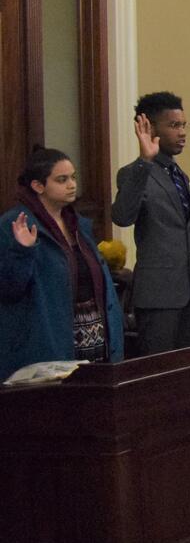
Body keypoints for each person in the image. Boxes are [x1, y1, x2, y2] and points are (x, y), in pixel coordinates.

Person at [2, 148, 124, 376]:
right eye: (62, 179)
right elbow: (9, 289)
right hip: (48, 346)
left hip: (93, 337)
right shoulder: (15, 224)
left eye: (73, 177)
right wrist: (23, 250)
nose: (72, 184)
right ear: (38, 186)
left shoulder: (77, 223)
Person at [111, 91, 190, 354]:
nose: (182, 132)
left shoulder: (179, 174)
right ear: (149, 127)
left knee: (183, 376)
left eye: (183, 125)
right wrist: (145, 160)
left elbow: (185, 236)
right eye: (174, 125)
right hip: (157, 296)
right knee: (158, 377)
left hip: (186, 294)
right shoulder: (134, 172)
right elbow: (122, 216)